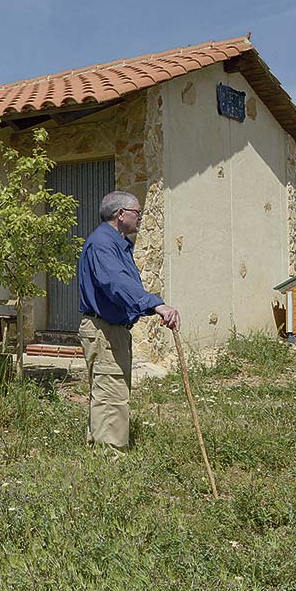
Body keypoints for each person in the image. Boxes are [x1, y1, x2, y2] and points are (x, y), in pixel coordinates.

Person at [78, 190, 180, 450]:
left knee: (108, 390)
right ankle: (110, 460)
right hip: (104, 330)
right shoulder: (102, 243)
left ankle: (99, 450)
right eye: (138, 212)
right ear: (120, 214)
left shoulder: (116, 243)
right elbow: (116, 283)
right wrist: (155, 304)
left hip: (112, 329)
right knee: (111, 393)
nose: (141, 218)